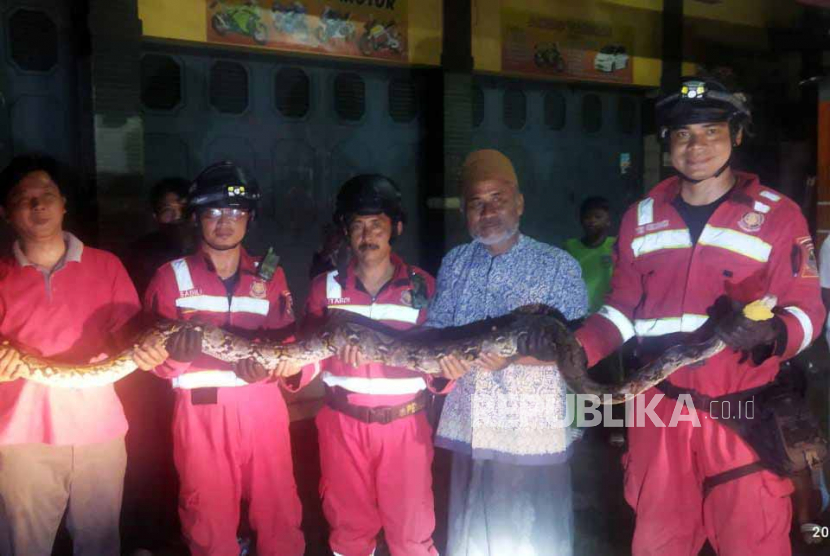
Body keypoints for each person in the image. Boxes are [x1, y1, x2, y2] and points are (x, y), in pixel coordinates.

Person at [572, 78, 824, 555]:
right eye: (684, 134)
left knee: (755, 542)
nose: (697, 146)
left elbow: (809, 312)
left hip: (742, 413)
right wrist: (574, 350)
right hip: (658, 413)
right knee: (659, 542)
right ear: (667, 142)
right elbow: (622, 311)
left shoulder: (779, 216)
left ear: (737, 136)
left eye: (711, 131)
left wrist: (772, 331)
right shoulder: (639, 218)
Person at [133, 161, 307, 556]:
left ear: (249, 217)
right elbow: (152, 359)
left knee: (280, 518)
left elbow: (293, 344)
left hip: (263, 410)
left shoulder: (270, 275)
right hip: (200, 417)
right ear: (196, 218)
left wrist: (286, 371)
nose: (224, 222)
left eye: (235, 212)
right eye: (213, 211)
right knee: (208, 524)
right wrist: (175, 359)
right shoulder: (168, 277)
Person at [426, 149, 588, 556]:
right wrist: (442, 366)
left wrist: (514, 357)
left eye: (497, 198)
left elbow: (578, 346)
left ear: (519, 202)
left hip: (530, 431)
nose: (488, 210)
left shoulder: (557, 265)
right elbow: (436, 331)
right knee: (470, 535)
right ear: (465, 212)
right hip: (469, 427)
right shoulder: (455, 263)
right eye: (476, 203)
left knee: (533, 537)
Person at [0, 154, 145, 556]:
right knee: (23, 544)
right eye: (23, 198)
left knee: (100, 544)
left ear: (64, 203)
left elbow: (130, 338)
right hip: (21, 438)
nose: (38, 205)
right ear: (6, 212)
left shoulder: (107, 266)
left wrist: (148, 351)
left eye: (47, 195)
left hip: (99, 433)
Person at [302, 175, 442, 556]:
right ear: (346, 232)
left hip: (405, 428)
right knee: (348, 529)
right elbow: (307, 360)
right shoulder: (324, 288)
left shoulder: (425, 287)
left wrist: (446, 371)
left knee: (411, 531)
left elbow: (440, 368)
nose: (367, 235)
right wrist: (288, 369)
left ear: (395, 227)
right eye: (358, 226)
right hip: (341, 425)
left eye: (376, 224)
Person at [124, 177, 193, 297]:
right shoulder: (140, 253)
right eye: (167, 211)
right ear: (155, 216)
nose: (177, 216)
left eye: (184, 209)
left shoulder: (211, 248)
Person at [564, 196, 615, 314]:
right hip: (579, 312)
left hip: (609, 312)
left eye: (598, 217)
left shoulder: (615, 245)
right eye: (587, 217)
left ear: (608, 221)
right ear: (581, 220)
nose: (592, 221)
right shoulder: (570, 247)